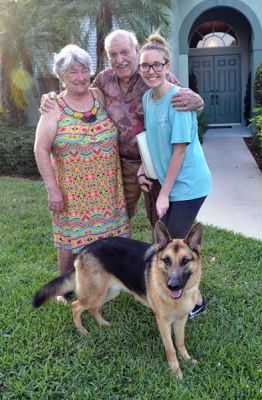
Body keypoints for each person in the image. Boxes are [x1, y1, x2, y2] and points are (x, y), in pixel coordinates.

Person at [40, 29, 204, 229]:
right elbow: (79, 91)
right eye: (113, 55)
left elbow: (185, 101)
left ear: (136, 50)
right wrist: (51, 97)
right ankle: (116, 255)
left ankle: (162, 257)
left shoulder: (152, 74)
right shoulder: (103, 79)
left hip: (157, 162)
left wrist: (199, 102)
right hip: (121, 165)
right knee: (116, 220)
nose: (119, 59)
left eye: (125, 52)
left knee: (163, 222)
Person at [34, 44, 130, 303]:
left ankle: (106, 281)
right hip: (72, 192)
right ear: (61, 76)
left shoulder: (99, 95)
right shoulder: (53, 106)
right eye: (72, 71)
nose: (79, 76)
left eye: (84, 70)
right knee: (69, 242)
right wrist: (52, 190)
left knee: (109, 238)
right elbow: (41, 149)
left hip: (107, 187)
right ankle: (65, 287)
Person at [137, 33, 212, 318]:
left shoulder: (179, 100)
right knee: (165, 244)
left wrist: (164, 193)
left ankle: (196, 303)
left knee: (178, 247)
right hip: (170, 181)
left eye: (157, 65)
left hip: (189, 184)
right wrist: (145, 165)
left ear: (167, 66)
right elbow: (153, 138)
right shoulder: (147, 98)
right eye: (145, 65)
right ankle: (169, 292)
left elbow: (179, 152)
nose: (151, 71)